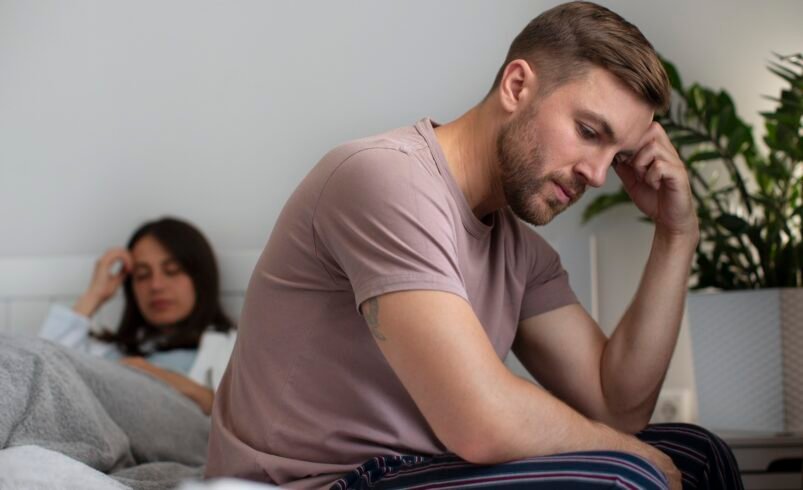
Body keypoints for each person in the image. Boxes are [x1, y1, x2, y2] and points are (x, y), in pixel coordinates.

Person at [207, 3, 742, 489]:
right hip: (317, 481)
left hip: (420, 471)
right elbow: (480, 420)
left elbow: (616, 408)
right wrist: (628, 452)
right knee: (627, 476)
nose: (599, 175)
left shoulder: (520, 252)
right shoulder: (384, 180)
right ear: (516, 85)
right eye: (588, 131)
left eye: (618, 156)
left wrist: (677, 233)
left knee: (700, 454)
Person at [39, 216, 237, 415]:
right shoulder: (106, 351)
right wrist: (95, 295)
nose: (156, 285)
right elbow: (43, 376)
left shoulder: (232, 349)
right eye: (142, 275)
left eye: (172, 271)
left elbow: (236, 417)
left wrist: (150, 374)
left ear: (201, 279)